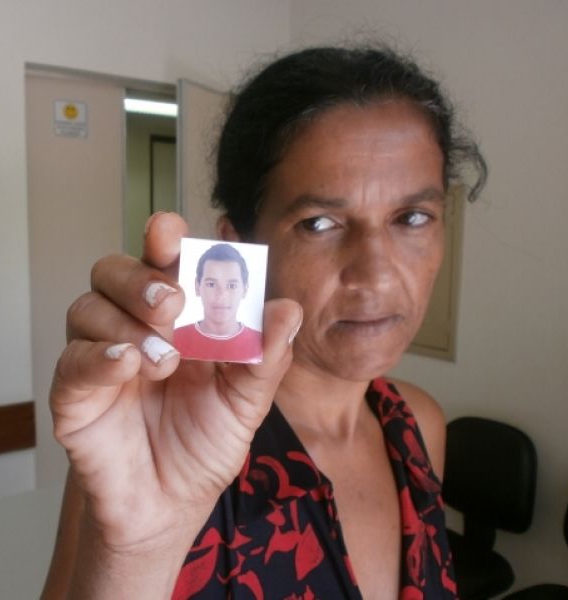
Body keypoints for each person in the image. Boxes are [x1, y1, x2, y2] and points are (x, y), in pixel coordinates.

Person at [42, 44, 487, 599]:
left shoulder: (418, 425)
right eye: (318, 223)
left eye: (413, 217)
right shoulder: (163, 436)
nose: (375, 277)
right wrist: (134, 551)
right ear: (240, 245)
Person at [173, 242, 263, 363]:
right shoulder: (173, 339)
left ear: (245, 289)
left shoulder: (262, 344)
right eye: (211, 284)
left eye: (232, 286)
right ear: (197, 286)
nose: (221, 295)